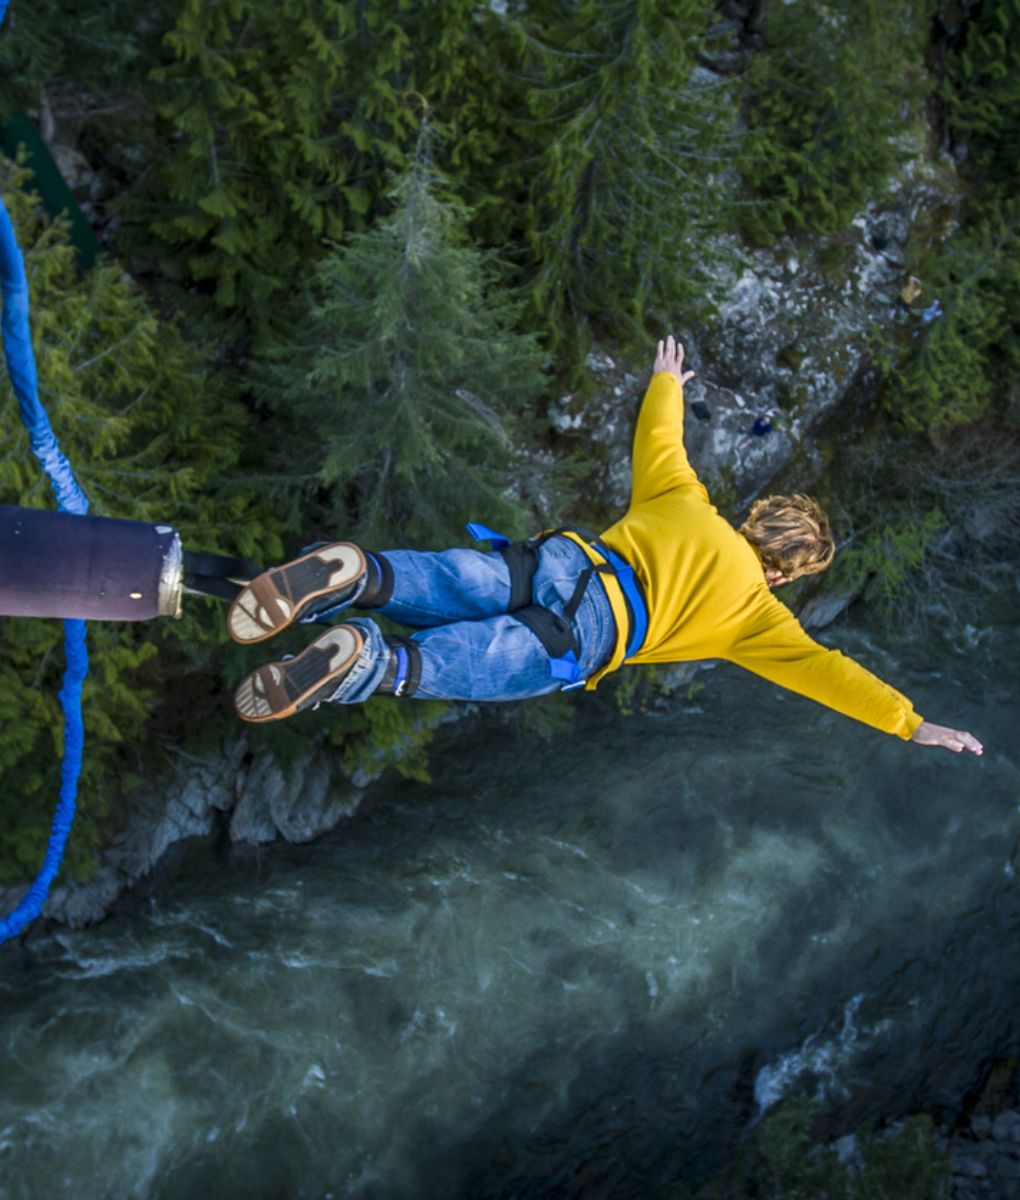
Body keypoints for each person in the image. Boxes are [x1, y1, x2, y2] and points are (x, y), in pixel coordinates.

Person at [228, 336, 983, 757]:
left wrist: (667, 381)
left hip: (562, 562)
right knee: (462, 664)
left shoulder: (685, 499)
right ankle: (367, 660)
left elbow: (660, 437)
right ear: (783, 574)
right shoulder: (758, 617)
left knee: (459, 579)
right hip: (592, 634)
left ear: (755, 517)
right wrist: (912, 723)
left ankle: (360, 573)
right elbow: (829, 675)